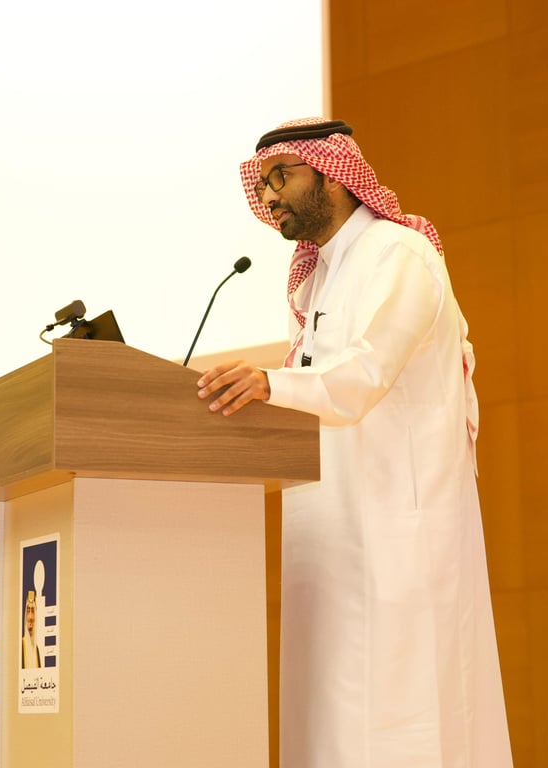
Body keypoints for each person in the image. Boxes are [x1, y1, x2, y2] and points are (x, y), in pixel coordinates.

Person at [196, 117, 513, 768]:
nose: (269, 197)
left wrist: (269, 383)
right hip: (329, 536)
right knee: (331, 719)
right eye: (262, 184)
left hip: (398, 533)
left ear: (334, 176)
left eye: (280, 177)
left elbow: (366, 372)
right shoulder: (315, 278)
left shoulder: (400, 254)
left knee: (404, 717)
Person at [21, 590, 42, 669]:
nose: (30, 617)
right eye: (28, 611)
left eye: (33, 611)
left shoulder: (37, 650)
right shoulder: (20, 647)